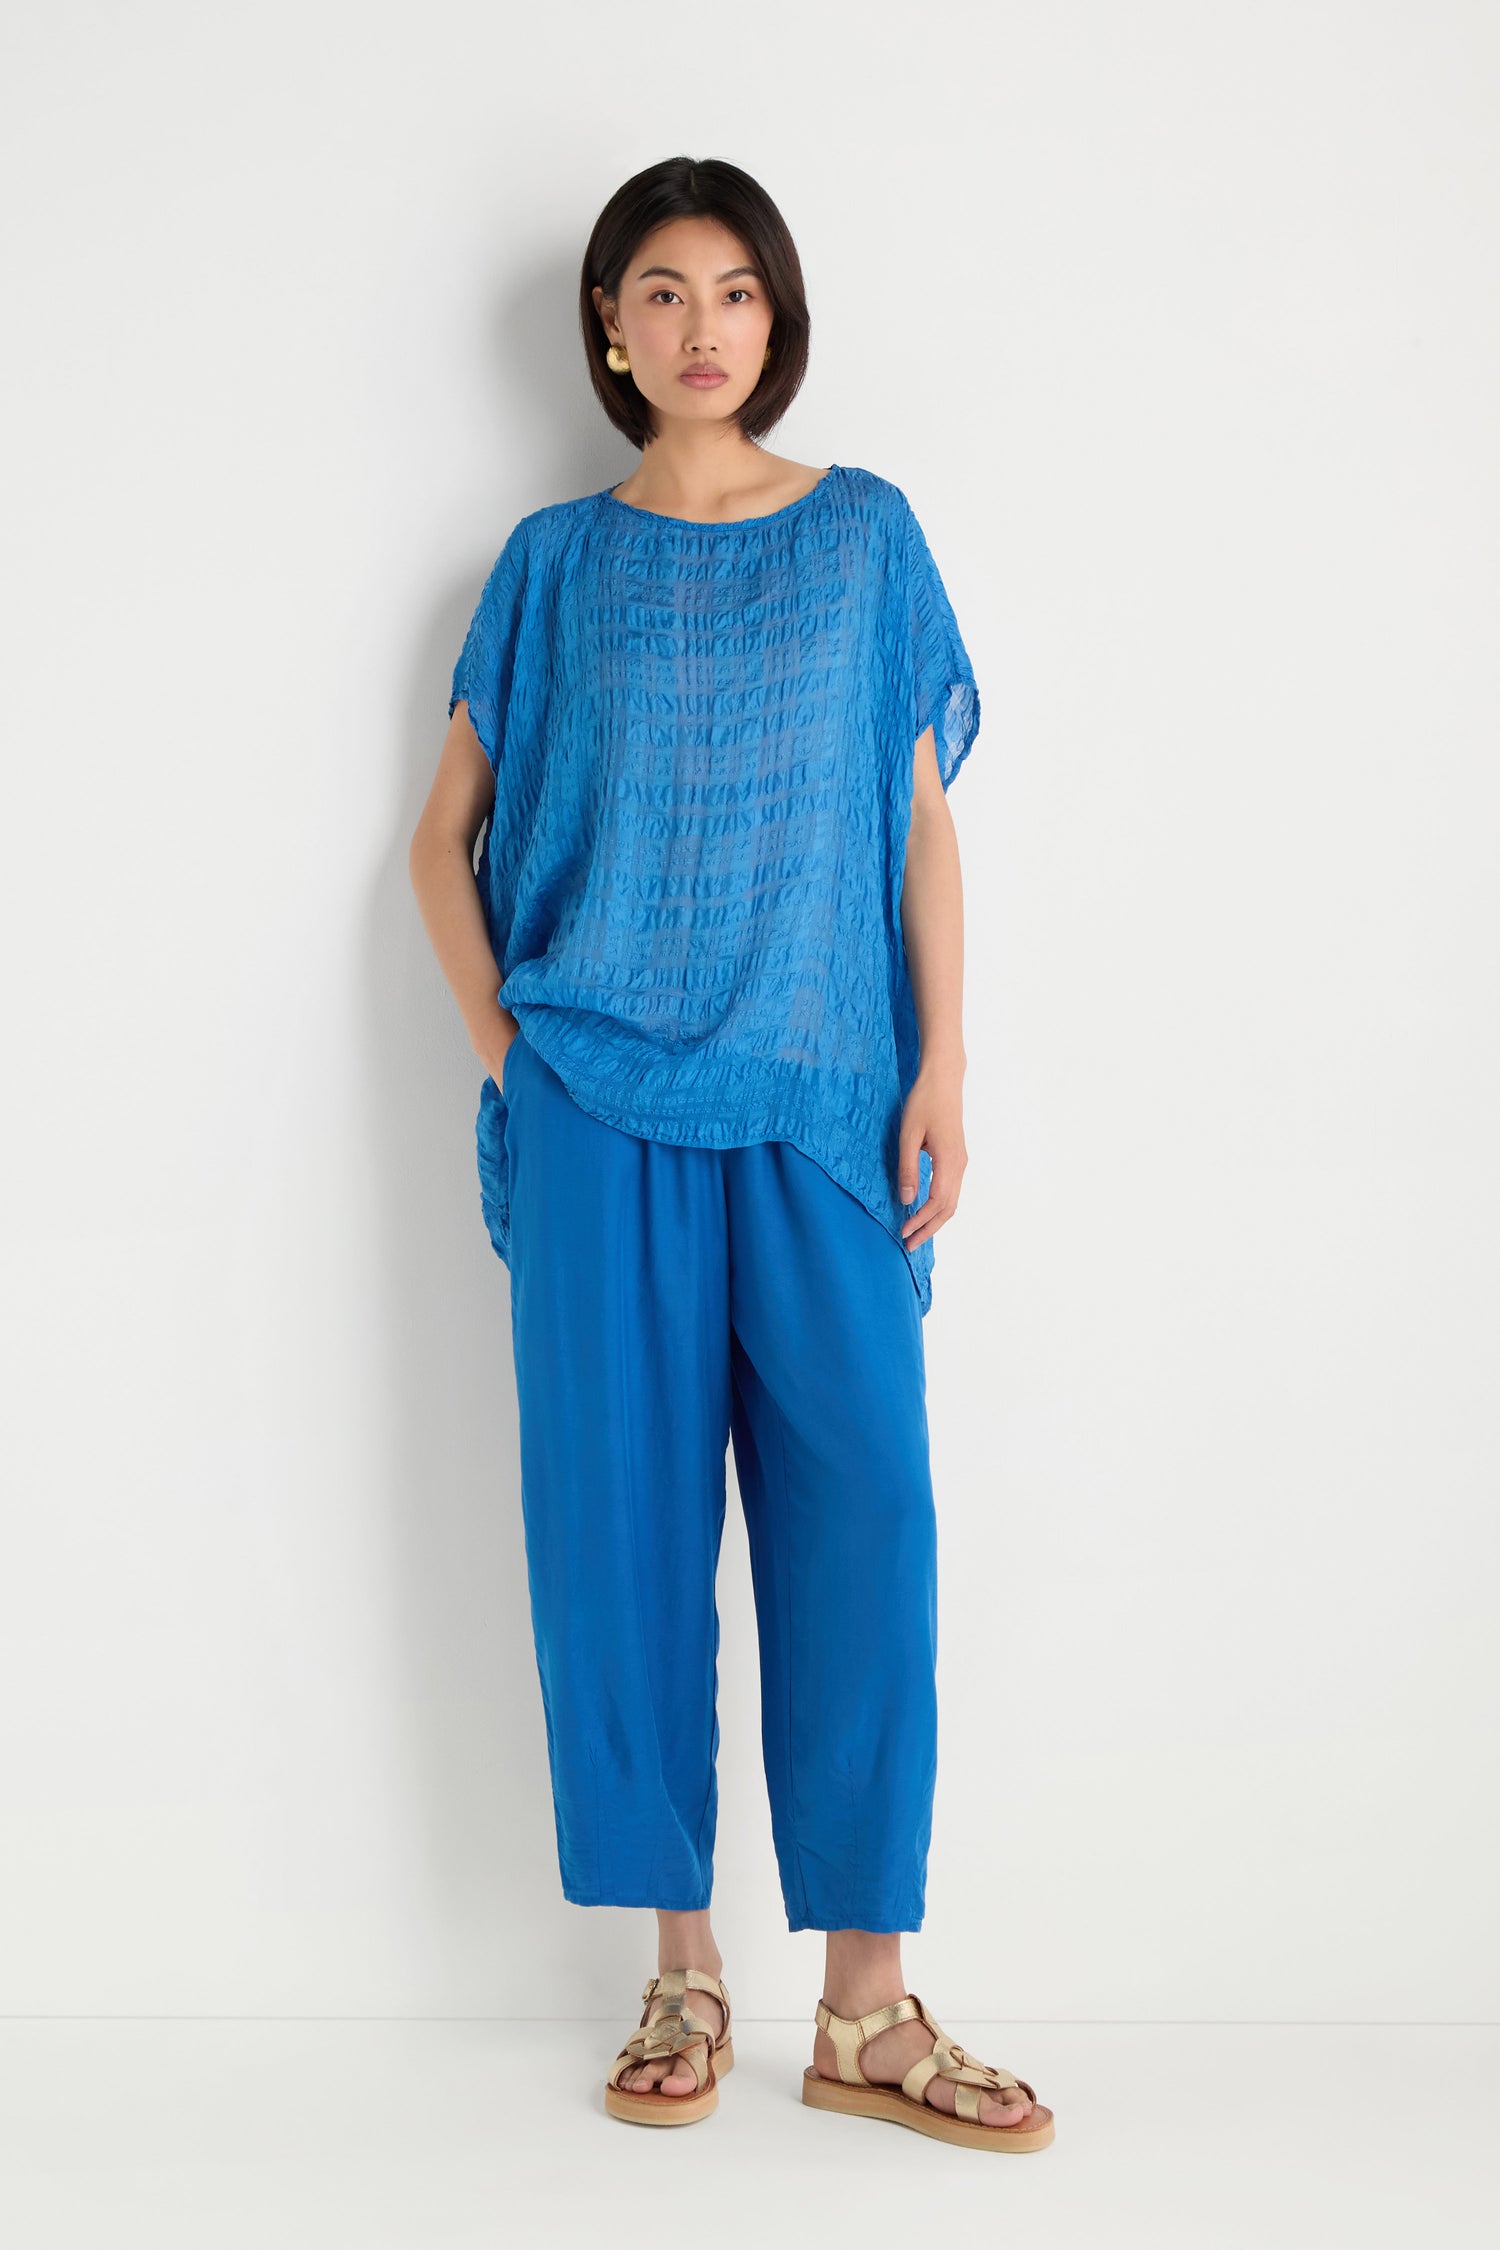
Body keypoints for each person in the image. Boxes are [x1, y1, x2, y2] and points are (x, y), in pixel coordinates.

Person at [408, 155, 1054, 2155]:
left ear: (780, 318)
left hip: (822, 1103)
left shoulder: (866, 539)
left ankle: (866, 2005)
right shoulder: (550, 564)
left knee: (867, 1517)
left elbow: (920, 819)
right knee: (618, 1534)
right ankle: (679, 1966)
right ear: (611, 332)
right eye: (664, 292)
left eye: (738, 290)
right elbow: (442, 841)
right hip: (595, 1105)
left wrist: (945, 1062)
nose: (704, 326)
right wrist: (516, 1059)